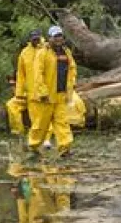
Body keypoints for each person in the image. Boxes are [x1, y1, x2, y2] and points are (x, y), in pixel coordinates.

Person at [27, 26, 78, 158]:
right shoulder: (42, 53)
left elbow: (72, 69)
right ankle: (33, 146)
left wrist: (70, 87)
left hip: (61, 95)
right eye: (55, 36)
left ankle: (65, 149)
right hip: (47, 97)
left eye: (60, 36)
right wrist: (43, 92)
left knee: (62, 123)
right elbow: (38, 74)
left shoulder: (66, 52)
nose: (58, 39)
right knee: (41, 124)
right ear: (49, 38)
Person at [7, 30, 42, 136]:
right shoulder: (24, 53)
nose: (35, 40)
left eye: (37, 38)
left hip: (44, 93)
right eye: (33, 38)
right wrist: (19, 93)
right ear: (30, 39)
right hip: (28, 94)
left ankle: (43, 135)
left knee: (40, 113)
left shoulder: (47, 50)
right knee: (11, 105)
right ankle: (18, 131)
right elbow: (20, 76)